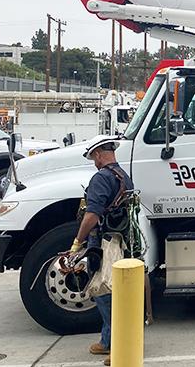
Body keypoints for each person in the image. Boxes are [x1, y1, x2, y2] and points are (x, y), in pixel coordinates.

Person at [68, 138, 133, 367]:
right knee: (114, 293)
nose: (94, 163)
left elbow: (92, 215)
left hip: (106, 242)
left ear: (97, 154)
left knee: (105, 292)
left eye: (93, 158)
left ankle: (117, 346)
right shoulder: (123, 176)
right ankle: (107, 341)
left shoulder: (101, 178)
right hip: (122, 240)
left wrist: (77, 242)